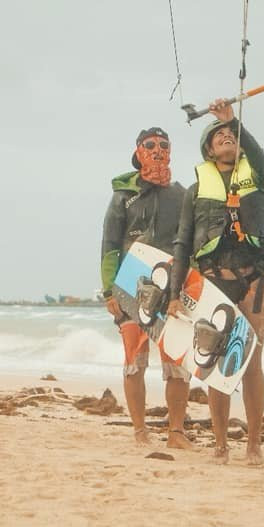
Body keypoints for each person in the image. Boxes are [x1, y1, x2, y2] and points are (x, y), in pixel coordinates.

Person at [168, 99, 264, 465]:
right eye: (219, 136)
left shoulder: (258, 177)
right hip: (214, 282)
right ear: (208, 149)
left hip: (253, 280)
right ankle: (220, 445)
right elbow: (183, 242)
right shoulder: (197, 190)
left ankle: (253, 445)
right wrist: (172, 293)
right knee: (216, 364)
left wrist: (234, 121)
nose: (227, 137)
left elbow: (259, 156)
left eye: (231, 135)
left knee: (252, 362)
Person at [100, 127, 193, 449]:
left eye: (164, 145)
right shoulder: (123, 196)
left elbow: (190, 245)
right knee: (134, 360)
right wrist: (108, 291)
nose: (157, 150)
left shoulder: (182, 196)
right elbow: (110, 245)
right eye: (149, 145)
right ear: (138, 151)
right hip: (130, 285)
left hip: (172, 288)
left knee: (177, 363)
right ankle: (140, 429)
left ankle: (176, 433)